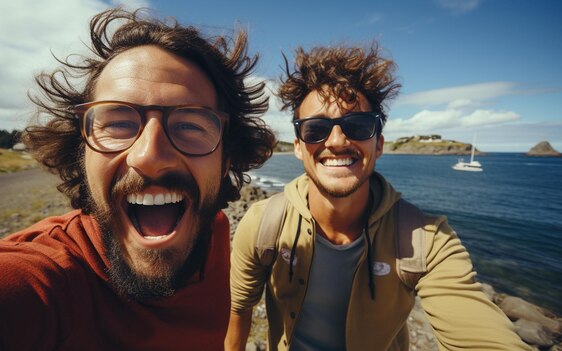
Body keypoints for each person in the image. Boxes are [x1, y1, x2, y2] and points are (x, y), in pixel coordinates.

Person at [0, 8, 275, 351]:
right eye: (118, 123)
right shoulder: (44, 282)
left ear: (225, 160)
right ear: (81, 153)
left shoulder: (213, 230)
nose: (149, 156)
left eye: (190, 125)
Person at [225, 44, 530, 350]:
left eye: (357, 126)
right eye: (316, 128)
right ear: (297, 146)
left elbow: (479, 332)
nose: (337, 141)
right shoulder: (264, 223)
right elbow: (238, 310)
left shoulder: (426, 240)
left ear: (379, 144)